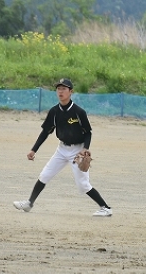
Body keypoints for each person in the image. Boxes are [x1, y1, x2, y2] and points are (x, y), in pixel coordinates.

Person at [13, 78, 112, 217]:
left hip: (77, 151)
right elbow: (45, 132)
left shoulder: (79, 112)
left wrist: (85, 148)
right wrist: (33, 150)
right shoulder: (54, 112)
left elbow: (88, 133)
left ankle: (106, 208)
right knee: (44, 175)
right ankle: (29, 203)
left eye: (64, 89)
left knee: (83, 185)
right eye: (58, 89)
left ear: (71, 92)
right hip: (62, 149)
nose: (60, 91)